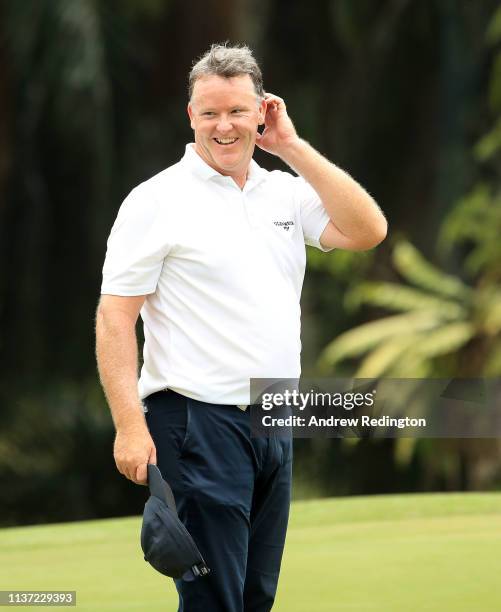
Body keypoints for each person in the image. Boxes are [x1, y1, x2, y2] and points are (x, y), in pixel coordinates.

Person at [95, 43, 386, 612]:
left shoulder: (283, 192)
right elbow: (115, 317)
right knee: (214, 599)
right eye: (209, 113)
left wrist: (293, 148)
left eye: (236, 111)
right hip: (196, 421)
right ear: (191, 117)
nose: (222, 126)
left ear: (262, 111)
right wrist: (130, 426)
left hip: (273, 420)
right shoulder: (155, 200)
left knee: (255, 596)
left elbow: (367, 229)